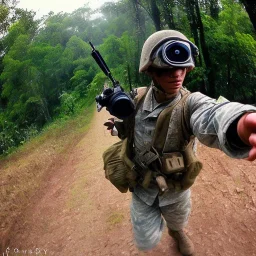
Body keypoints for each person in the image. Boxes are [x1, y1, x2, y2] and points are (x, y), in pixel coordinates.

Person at [104, 30, 256, 256]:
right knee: (145, 240)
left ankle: (176, 233)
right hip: (141, 185)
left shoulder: (190, 103)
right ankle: (166, 230)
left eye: (182, 68)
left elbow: (212, 112)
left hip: (175, 188)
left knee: (177, 220)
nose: (177, 75)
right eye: (167, 69)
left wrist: (239, 123)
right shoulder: (136, 98)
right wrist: (117, 127)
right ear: (152, 71)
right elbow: (128, 130)